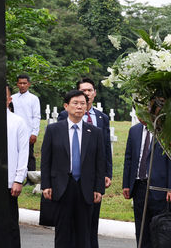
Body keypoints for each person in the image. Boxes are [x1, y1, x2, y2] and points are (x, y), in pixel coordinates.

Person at [41, 89, 106, 248]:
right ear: (66, 106)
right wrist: (46, 185)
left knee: (84, 232)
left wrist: (99, 188)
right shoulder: (53, 130)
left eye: (82, 103)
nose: (79, 107)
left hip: (86, 188)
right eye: (75, 103)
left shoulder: (95, 132)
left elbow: (100, 162)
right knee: (62, 232)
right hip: (62, 186)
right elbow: (46, 160)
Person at [57, 78, 113, 248]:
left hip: (93, 177)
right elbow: (61, 148)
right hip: (70, 178)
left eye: (90, 90)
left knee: (91, 222)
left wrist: (106, 173)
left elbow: (105, 149)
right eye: (84, 91)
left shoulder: (102, 118)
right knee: (70, 224)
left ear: (94, 93)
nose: (87, 94)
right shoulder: (64, 116)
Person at [122, 121, 171, 248]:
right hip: (139, 187)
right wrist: (126, 184)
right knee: (141, 230)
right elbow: (129, 158)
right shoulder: (134, 131)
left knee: (160, 230)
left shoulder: (166, 131)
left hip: (160, 189)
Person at [6, 86, 29, 248]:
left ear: (9, 99)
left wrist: (18, 179)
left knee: (10, 226)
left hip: (9, 183)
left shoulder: (17, 122)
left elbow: (23, 153)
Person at [10, 74, 41, 172]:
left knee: (28, 155)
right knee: (14, 154)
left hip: (28, 132)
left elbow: (36, 116)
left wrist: (34, 133)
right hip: (14, 131)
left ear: (29, 84)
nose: (22, 85)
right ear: (17, 84)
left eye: (24, 83)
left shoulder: (33, 99)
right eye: (20, 83)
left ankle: (30, 178)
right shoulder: (12, 98)